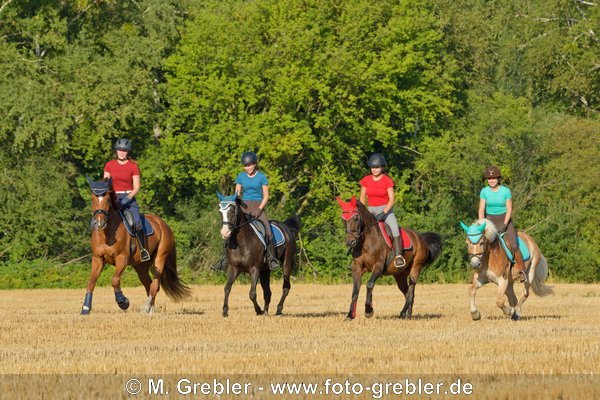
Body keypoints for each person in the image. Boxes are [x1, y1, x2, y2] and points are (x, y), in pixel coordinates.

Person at [212, 151, 280, 271]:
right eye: (245, 166)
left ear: (254, 164)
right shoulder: (241, 176)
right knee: (230, 230)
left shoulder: (262, 177)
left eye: (249, 165)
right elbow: (237, 194)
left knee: (268, 231)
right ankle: (224, 260)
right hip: (244, 206)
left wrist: (260, 209)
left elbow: (266, 196)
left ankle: (271, 259)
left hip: (258, 206)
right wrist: (234, 204)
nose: (247, 168)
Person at [103, 138, 150, 262]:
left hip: (128, 198)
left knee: (137, 222)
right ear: (116, 151)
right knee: (100, 216)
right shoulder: (109, 165)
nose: (121, 153)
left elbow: (137, 187)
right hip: (113, 197)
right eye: (119, 150)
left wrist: (128, 198)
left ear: (127, 152)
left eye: (124, 151)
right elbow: (105, 183)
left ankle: (143, 250)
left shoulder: (133, 166)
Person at [478, 165, 526, 282]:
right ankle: (478, 271)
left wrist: (505, 223)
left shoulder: (505, 191)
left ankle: (521, 270)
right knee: (481, 244)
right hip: (490, 221)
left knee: (513, 244)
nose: (491, 180)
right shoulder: (484, 191)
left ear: (498, 178)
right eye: (489, 179)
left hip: (505, 220)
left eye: (494, 178)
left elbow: (509, 208)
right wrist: (481, 223)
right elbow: (481, 209)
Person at [359, 153, 406, 268]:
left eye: (377, 167)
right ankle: (358, 257)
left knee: (395, 228)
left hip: (386, 210)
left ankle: (399, 256)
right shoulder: (366, 180)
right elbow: (362, 197)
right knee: (358, 228)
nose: (374, 169)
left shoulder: (387, 181)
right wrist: (362, 211)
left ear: (382, 167)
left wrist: (383, 213)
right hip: (370, 210)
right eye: (373, 167)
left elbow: (392, 200)